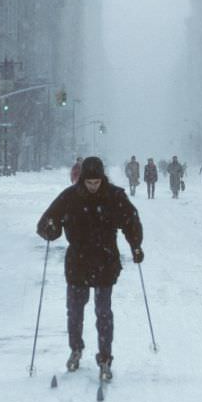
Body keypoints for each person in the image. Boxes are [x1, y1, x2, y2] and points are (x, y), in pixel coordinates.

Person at [36, 156, 144, 382]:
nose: (93, 186)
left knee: (103, 311)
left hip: (105, 260)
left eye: (97, 182)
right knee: (75, 310)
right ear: (83, 179)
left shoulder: (115, 196)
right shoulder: (70, 197)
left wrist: (135, 246)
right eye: (89, 182)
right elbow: (48, 221)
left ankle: (105, 356)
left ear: (102, 178)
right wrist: (50, 228)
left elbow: (130, 221)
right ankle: (76, 348)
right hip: (78, 261)